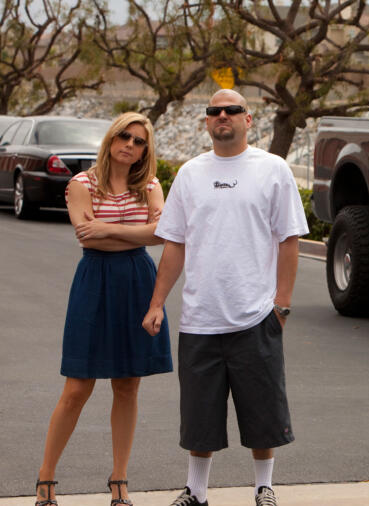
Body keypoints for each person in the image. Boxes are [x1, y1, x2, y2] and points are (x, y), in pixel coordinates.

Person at [142, 89, 307, 506]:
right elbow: (175, 243)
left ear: (248, 120)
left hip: (255, 316)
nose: (223, 116)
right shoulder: (190, 173)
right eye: (214, 111)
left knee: (263, 411)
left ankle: (264, 488)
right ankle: (196, 492)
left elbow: (289, 239)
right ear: (206, 122)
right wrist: (157, 301)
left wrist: (281, 304)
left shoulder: (273, 169)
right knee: (200, 415)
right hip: (201, 317)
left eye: (232, 110)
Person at [35, 112, 172, 506]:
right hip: (94, 282)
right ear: (111, 139)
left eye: (139, 141)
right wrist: (133, 234)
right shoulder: (82, 184)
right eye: (124, 136)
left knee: (128, 385)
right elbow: (87, 237)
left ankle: (119, 481)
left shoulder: (149, 184)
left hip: (138, 283)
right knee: (77, 386)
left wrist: (109, 229)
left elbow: (161, 234)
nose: (130, 145)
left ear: (146, 149)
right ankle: (46, 478)